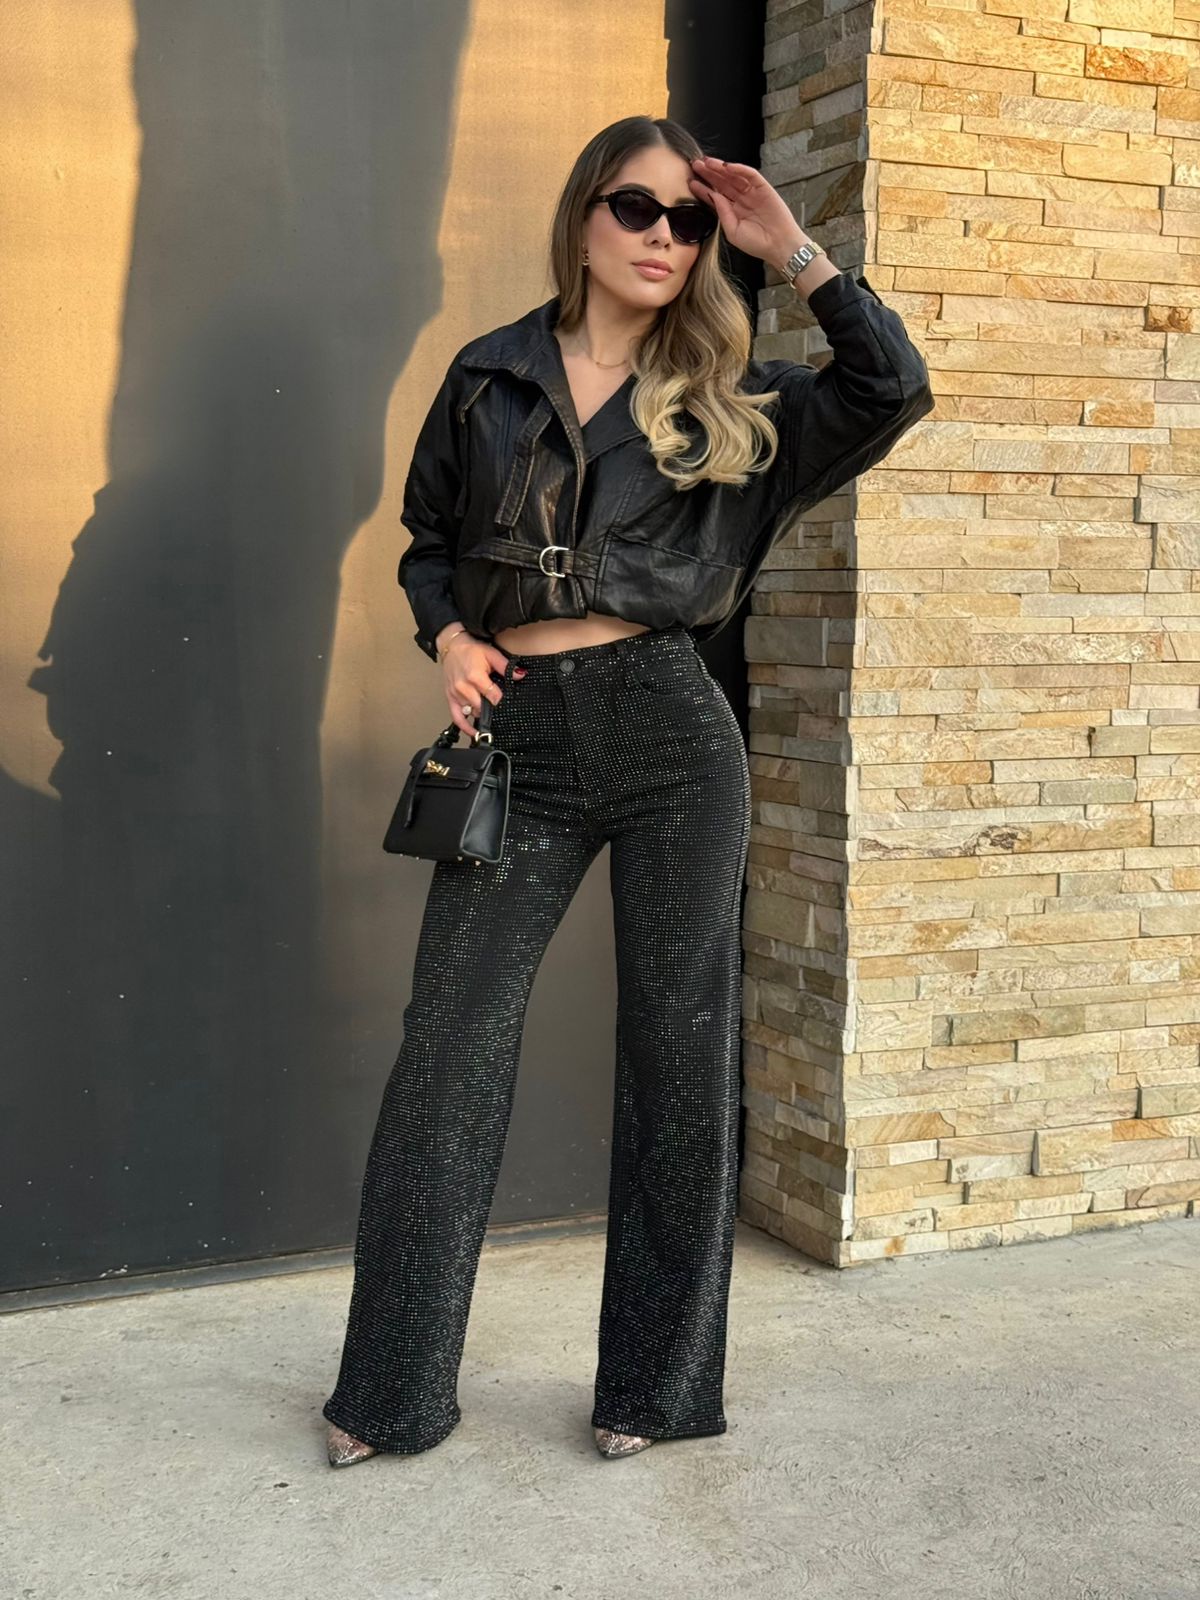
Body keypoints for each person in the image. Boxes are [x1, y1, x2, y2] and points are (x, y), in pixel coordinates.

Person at [322, 115, 934, 1467]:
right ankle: (391, 1392)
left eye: (691, 219)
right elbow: (427, 543)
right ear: (582, 216)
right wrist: (452, 637)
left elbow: (893, 387)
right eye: (637, 208)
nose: (666, 236)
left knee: (678, 1058)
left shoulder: (744, 397)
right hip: (522, 744)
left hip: (670, 737)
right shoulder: (490, 375)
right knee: (447, 1056)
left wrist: (796, 250)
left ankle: (654, 1389)